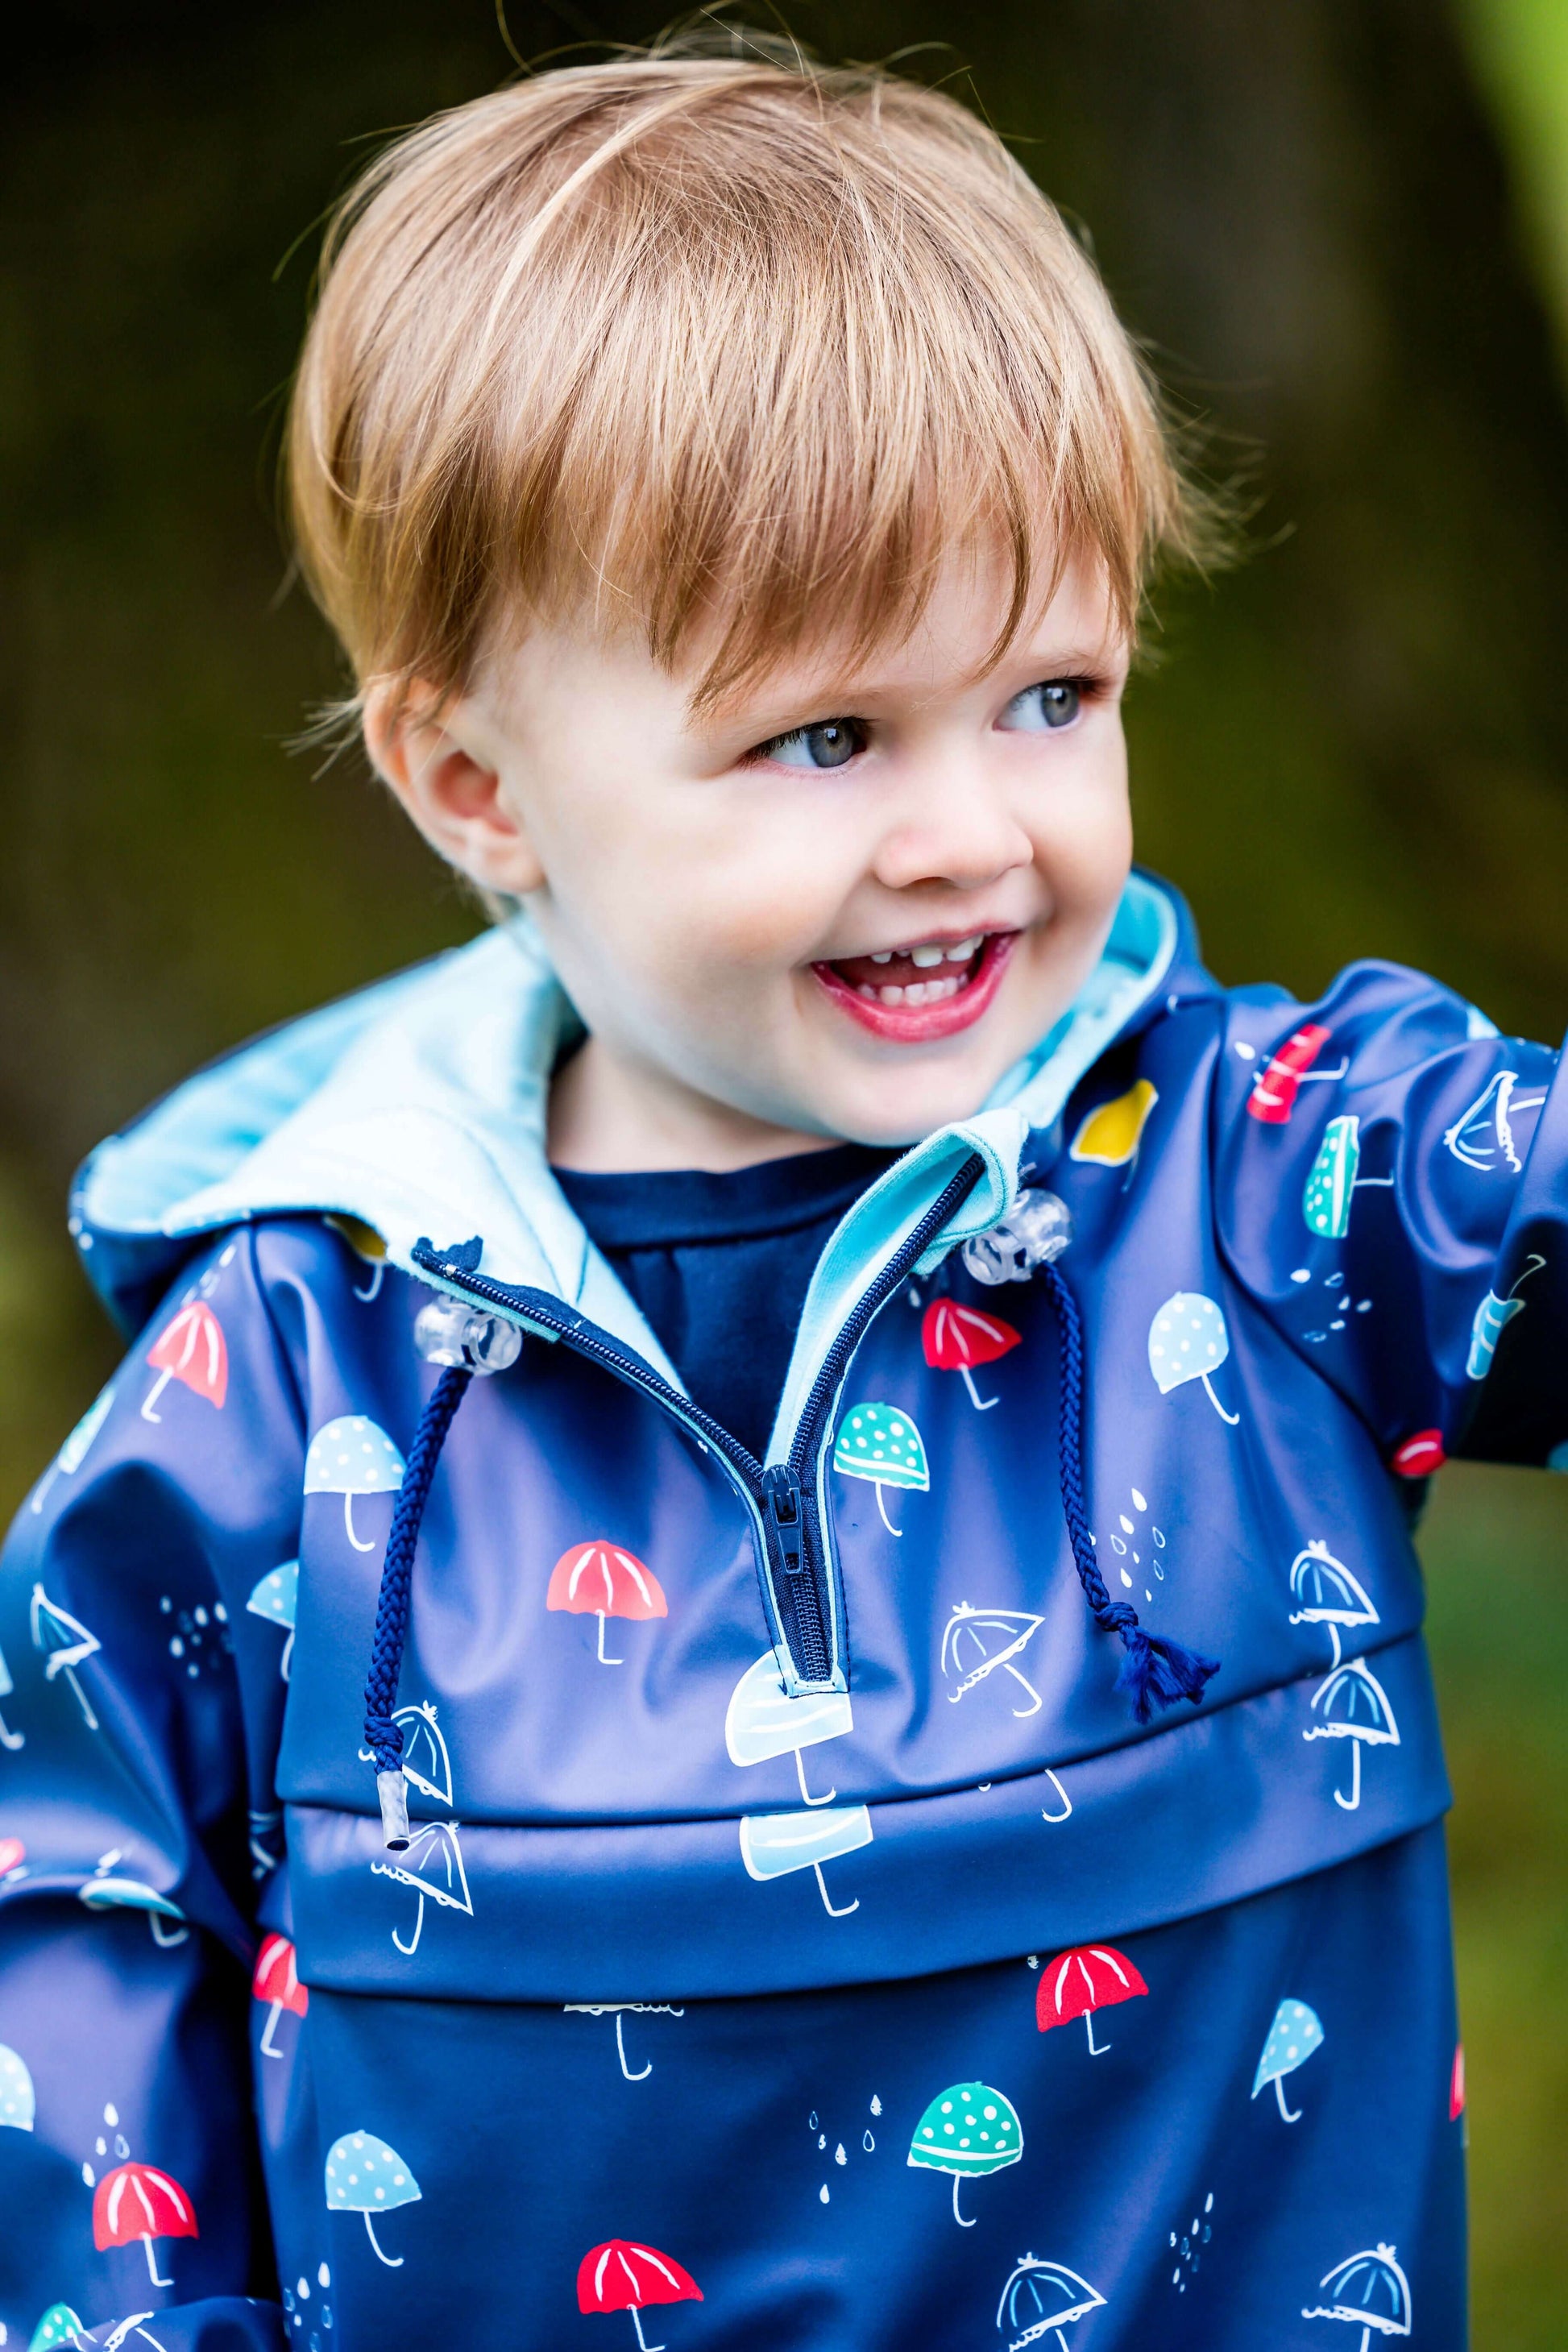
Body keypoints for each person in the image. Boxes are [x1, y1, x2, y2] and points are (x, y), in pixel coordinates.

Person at [0, 28, 1541, 2348]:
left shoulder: (1271, 1186)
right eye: (822, 736)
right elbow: (70, 1929)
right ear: (472, 781)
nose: (965, 832)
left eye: (1047, 693)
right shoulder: (292, 1374)